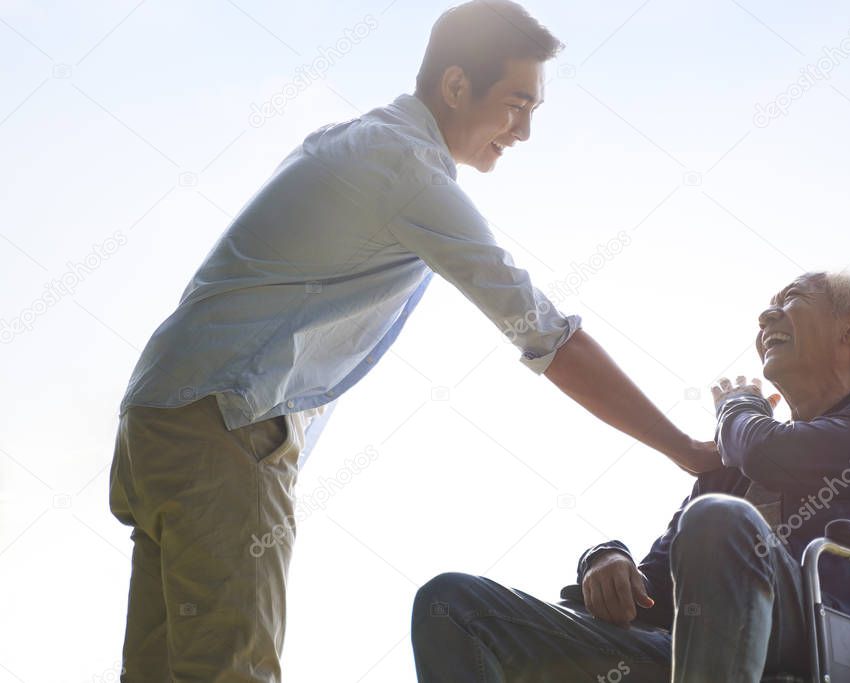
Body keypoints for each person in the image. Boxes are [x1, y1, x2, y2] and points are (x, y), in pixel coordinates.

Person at [107, 2, 715, 680]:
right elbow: (546, 335)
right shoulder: (407, 170)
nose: (524, 131)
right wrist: (687, 450)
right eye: (516, 104)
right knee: (230, 670)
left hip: (161, 417)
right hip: (227, 422)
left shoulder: (356, 140)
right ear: (457, 86)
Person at [410, 271, 850, 682]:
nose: (765, 316)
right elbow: (657, 588)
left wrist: (735, 407)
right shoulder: (732, 471)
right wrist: (605, 559)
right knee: (453, 604)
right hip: (693, 651)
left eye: (790, 301)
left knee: (718, 519)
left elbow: (774, 456)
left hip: (836, 640)